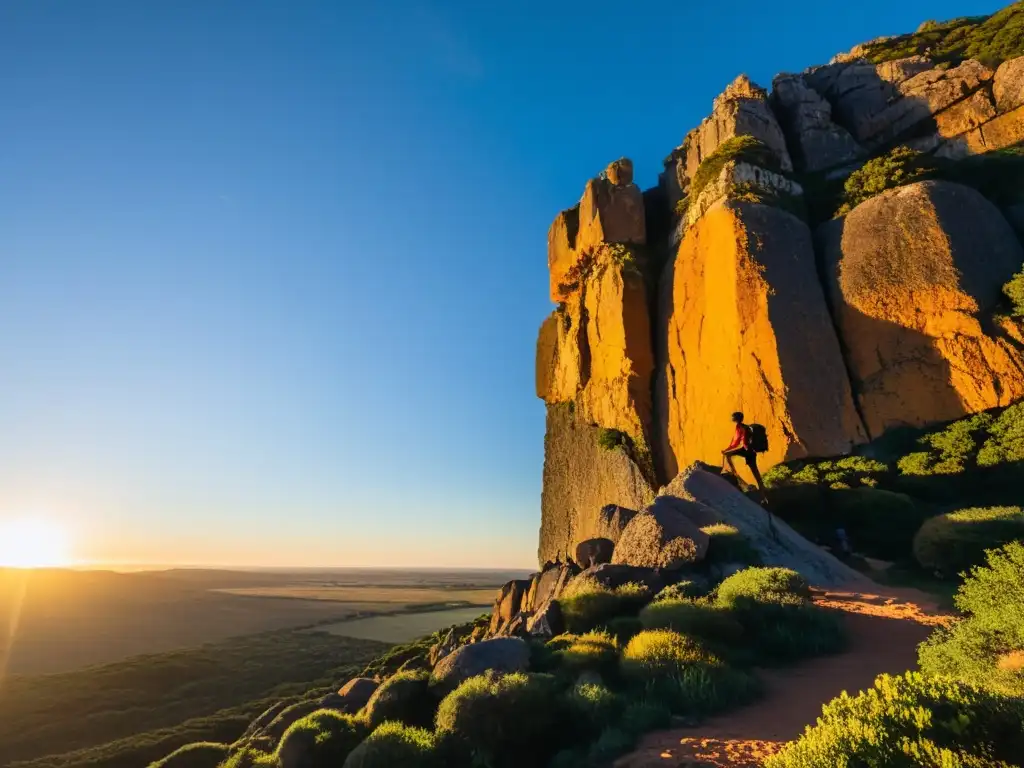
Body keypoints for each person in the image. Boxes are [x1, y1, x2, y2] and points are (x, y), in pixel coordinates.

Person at [721, 411, 767, 501]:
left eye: (733, 417)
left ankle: (734, 473)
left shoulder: (740, 427)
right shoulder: (745, 426)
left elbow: (736, 442)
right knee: (755, 472)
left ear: (736, 419)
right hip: (751, 451)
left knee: (728, 455)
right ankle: (763, 492)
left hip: (746, 450)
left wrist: (726, 450)